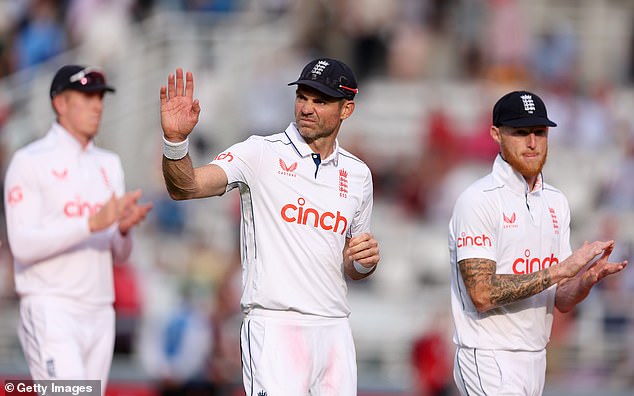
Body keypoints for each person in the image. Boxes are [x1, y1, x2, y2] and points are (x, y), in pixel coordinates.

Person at [159, 58, 380, 395]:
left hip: (334, 327)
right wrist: (175, 142)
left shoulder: (358, 175)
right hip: (276, 325)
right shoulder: (260, 152)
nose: (307, 108)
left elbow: (354, 265)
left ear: (346, 109)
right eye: (302, 97)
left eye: (320, 101)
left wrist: (363, 261)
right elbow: (185, 187)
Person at [448, 90, 628, 396]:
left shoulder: (556, 202)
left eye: (540, 132)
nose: (532, 142)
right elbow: (481, 293)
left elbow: (560, 299)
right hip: (489, 356)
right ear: (496, 134)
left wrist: (585, 281)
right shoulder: (478, 200)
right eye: (520, 133)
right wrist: (560, 271)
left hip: (535, 358)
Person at [4, 64, 153, 394]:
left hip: (100, 311)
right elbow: (22, 244)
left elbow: (119, 253)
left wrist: (124, 231)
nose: (97, 105)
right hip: (51, 306)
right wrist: (90, 224)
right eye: (86, 98)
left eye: (100, 97)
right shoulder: (30, 160)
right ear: (60, 103)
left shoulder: (108, 164)